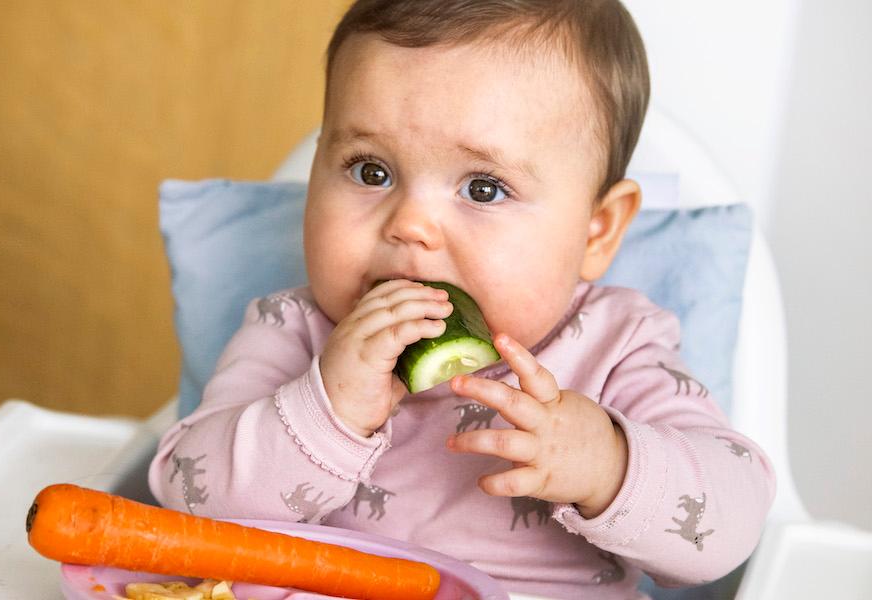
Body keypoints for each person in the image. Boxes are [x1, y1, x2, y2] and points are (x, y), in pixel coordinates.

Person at [149, 1, 775, 597]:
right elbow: (186, 499)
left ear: (597, 230)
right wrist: (324, 411)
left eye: (483, 188)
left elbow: (730, 526)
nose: (410, 225)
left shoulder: (617, 342)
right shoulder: (292, 329)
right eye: (371, 171)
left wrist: (608, 463)